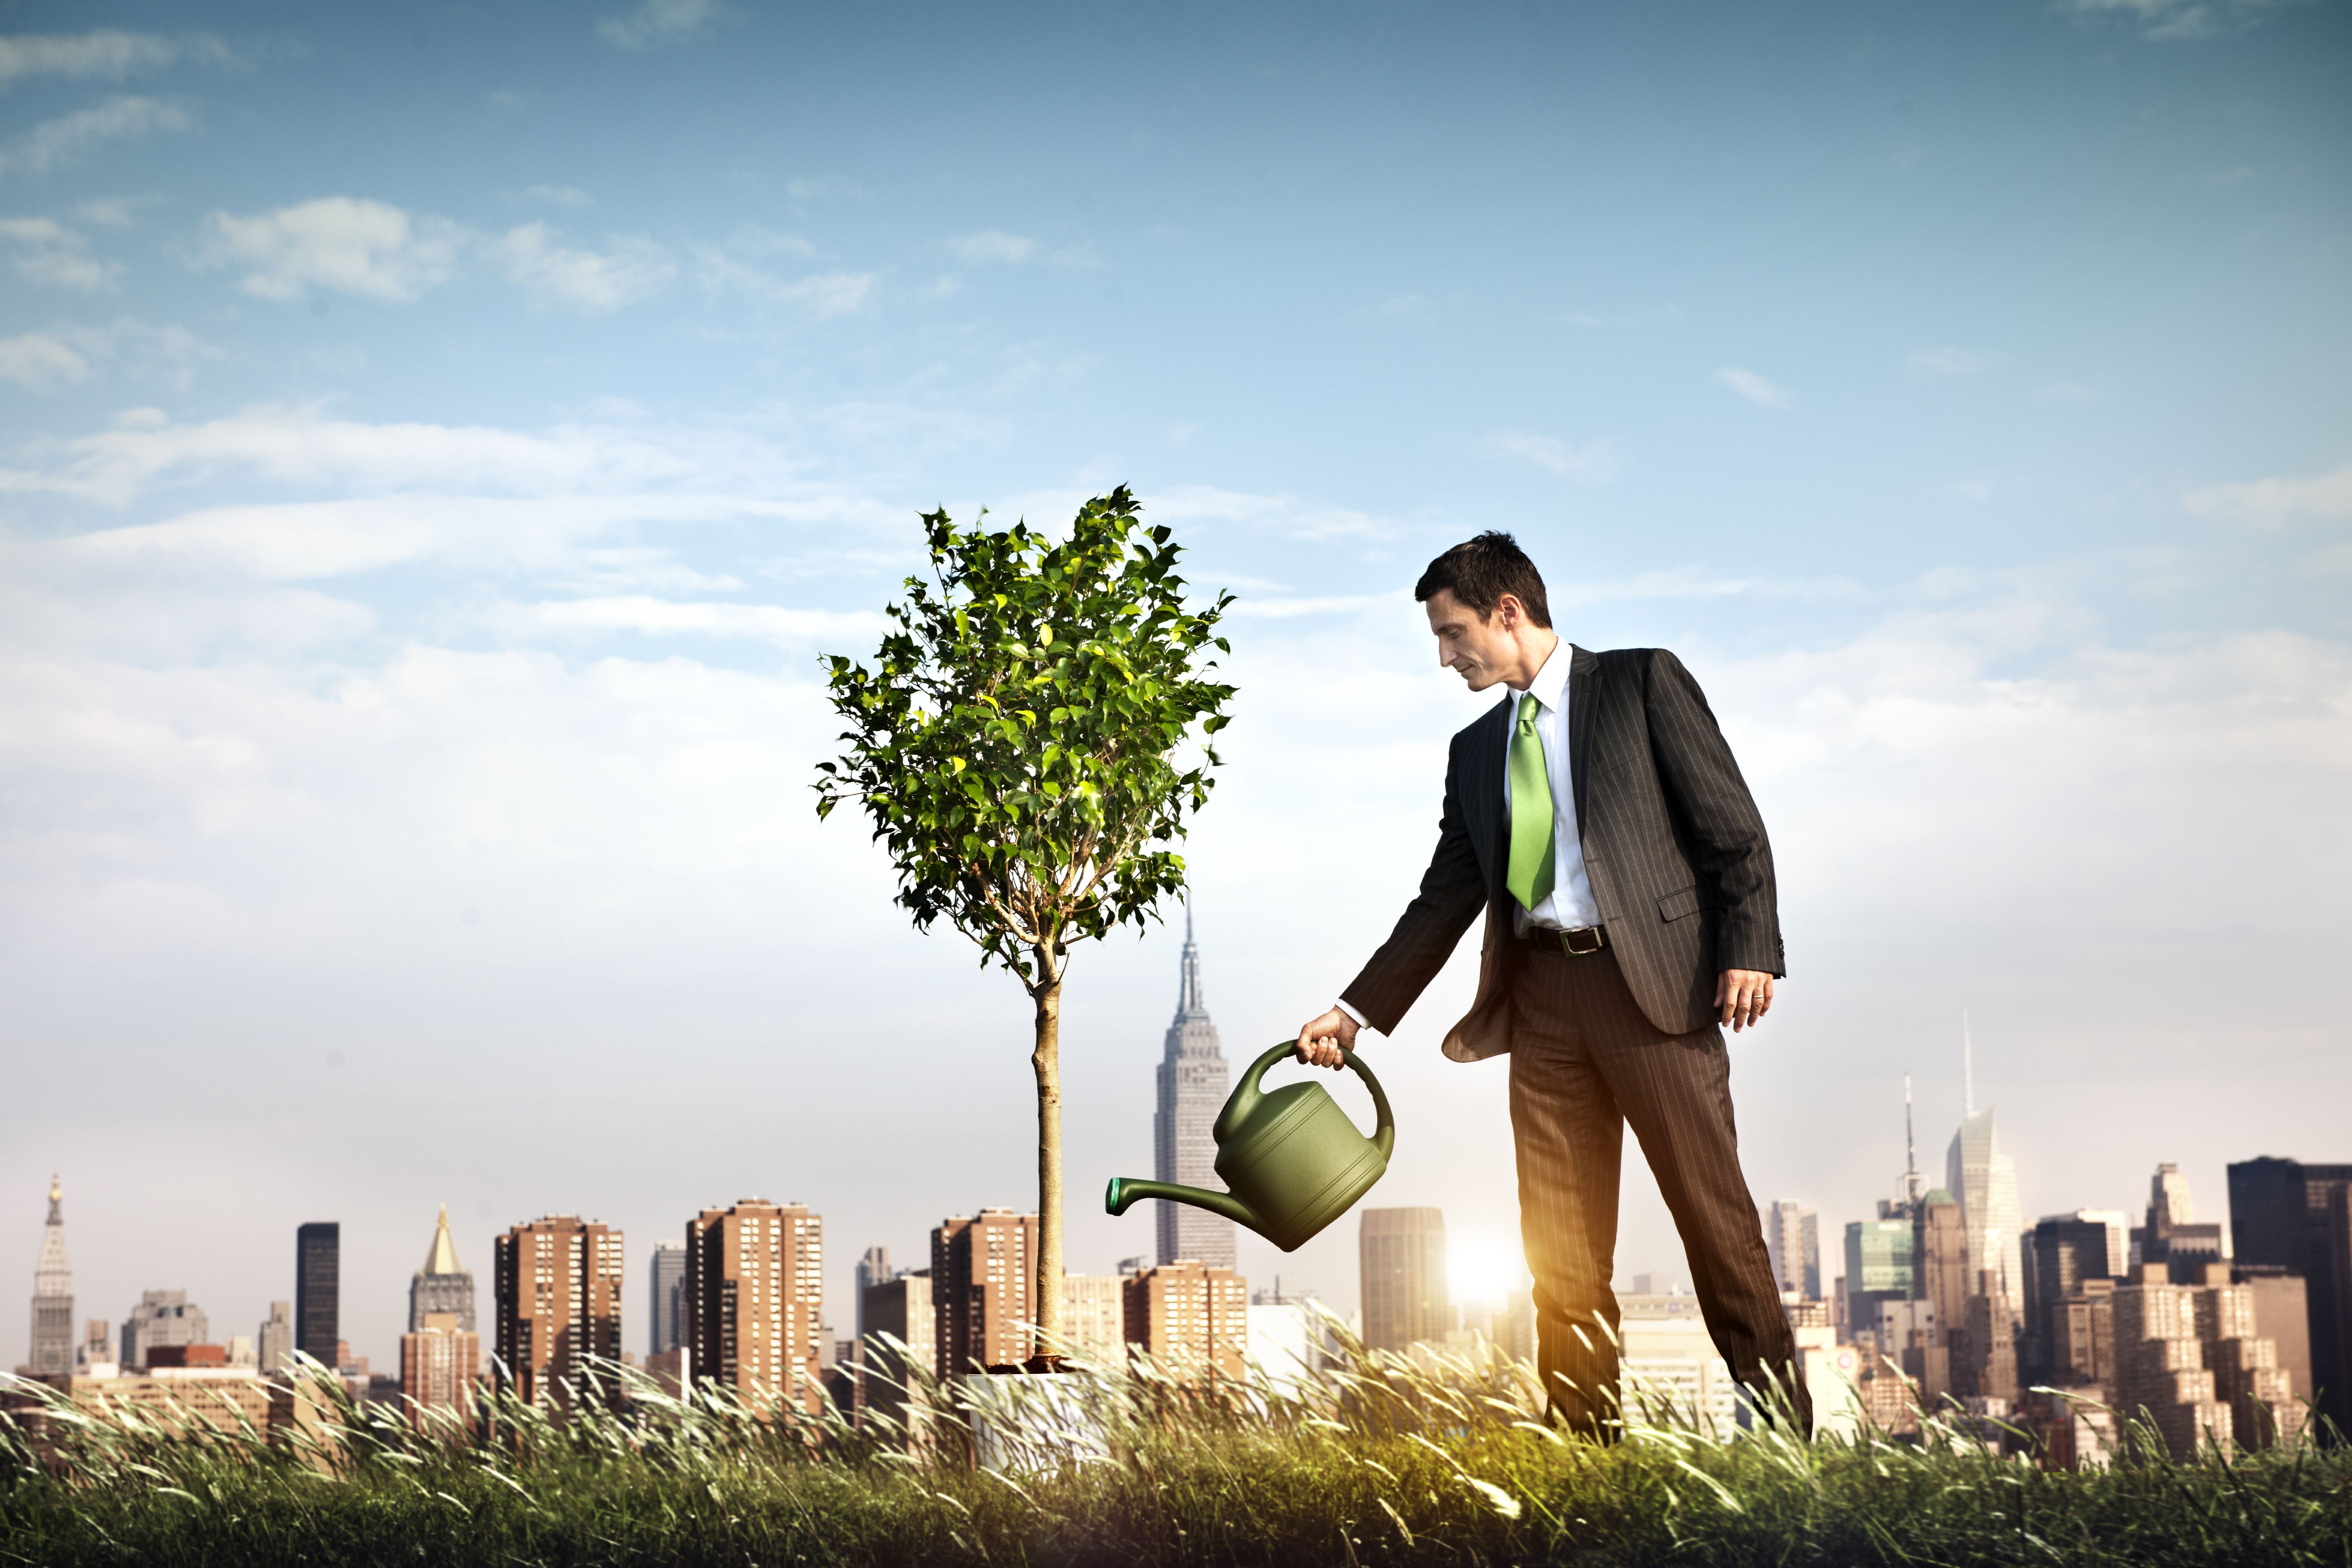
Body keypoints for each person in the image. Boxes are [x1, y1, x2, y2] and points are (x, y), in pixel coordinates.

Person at [1294, 531, 1807, 1439]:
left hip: (1652, 996)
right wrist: (1356, 1010)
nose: (1447, 657)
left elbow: (1735, 830)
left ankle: (1786, 1444)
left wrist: (1751, 947)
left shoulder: (1643, 684)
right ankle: (1587, 1455)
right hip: (1541, 1009)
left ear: (1507, 612)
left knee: (1717, 1228)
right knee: (1561, 1256)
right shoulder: (1474, 750)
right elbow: (1443, 899)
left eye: (1453, 635)